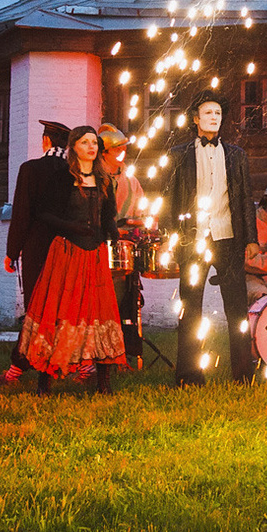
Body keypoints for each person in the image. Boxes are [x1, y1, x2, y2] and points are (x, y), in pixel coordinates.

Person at [17, 125, 127, 391]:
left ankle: (103, 381)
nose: (91, 147)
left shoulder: (104, 181)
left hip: (95, 254)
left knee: (99, 313)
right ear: (73, 147)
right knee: (60, 311)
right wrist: (73, 228)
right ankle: (45, 380)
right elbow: (45, 213)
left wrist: (115, 238)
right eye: (84, 142)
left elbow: (108, 217)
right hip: (67, 251)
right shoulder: (62, 178)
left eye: (94, 142)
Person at [164, 94, 258, 385]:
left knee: (237, 307)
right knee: (190, 308)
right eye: (207, 112)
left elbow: (244, 198)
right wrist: (170, 237)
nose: (214, 117)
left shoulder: (236, 155)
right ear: (195, 119)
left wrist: (251, 238)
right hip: (193, 239)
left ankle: (243, 374)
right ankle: (189, 375)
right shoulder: (179, 155)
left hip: (227, 237)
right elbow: (170, 200)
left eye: (218, 112)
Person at [2, 121, 74, 384]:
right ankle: (75, 365)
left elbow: (21, 213)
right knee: (66, 309)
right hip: (68, 248)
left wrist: (12, 251)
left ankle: (18, 367)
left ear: (46, 141)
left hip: (37, 248)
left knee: (36, 309)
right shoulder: (75, 172)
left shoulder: (30, 169)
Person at [98, 125, 147, 365]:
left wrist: (141, 223)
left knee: (126, 302)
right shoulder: (96, 178)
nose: (122, 153)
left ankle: (124, 352)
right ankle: (102, 354)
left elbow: (141, 211)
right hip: (100, 246)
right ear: (104, 152)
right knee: (104, 303)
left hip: (125, 248)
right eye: (117, 149)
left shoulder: (131, 180)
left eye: (124, 148)